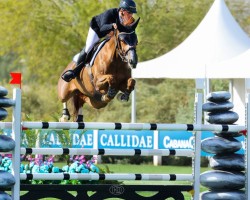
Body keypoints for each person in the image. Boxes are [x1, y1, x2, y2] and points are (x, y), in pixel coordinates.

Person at [61, 0, 137, 82]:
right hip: (97, 30)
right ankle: (75, 72)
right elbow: (102, 28)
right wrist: (112, 25)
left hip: (111, 34)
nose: (131, 15)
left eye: (132, 13)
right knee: (89, 47)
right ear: (122, 11)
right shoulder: (110, 13)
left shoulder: (129, 20)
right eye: (129, 13)